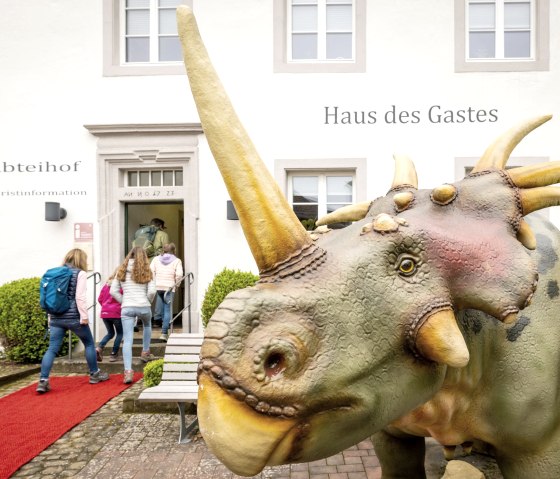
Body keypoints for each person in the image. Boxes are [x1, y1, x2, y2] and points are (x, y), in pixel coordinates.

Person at [36, 249, 109, 394]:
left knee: (52, 349)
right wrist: (84, 316)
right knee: (89, 343)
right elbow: (80, 297)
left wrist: (51, 317)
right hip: (74, 317)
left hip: (56, 317)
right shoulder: (80, 274)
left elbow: (51, 297)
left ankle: (43, 381)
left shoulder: (55, 273)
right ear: (81, 259)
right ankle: (95, 374)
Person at [110, 246, 156, 384]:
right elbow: (152, 291)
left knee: (128, 339)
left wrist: (123, 301)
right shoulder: (147, 270)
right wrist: (147, 300)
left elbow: (113, 291)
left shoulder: (121, 270)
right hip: (144, 306)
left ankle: (128, 371)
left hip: (127, 307)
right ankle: (145, 351)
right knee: (147, 325)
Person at [150, 243, 184, 342]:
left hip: (159, 287)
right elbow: (179, 274)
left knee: (160, 307)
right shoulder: (177, 261)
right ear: (174, 250)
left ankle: (157, 321)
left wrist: (155, 282)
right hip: (169, 287)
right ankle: (164, 333)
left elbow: (151, 270)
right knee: (167, 310)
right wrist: (176, 285)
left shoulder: (156, 259)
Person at [96, 270, 123, 362]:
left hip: (105, 313)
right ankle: (113, 354)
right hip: (116, 313)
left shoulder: (106, 285)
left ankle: (99, 348)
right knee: (120, 333)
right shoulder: (121, 286)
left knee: (110, 333)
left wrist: (105, 308)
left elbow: (99, 299)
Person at [149, 218, 169, 328]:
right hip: (158, 265)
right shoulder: (162, 234)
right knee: (161, 291)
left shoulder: (143, 233)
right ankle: (157, 318)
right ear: (160, 225)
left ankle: (140, 319)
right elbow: (166, 250)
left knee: (144, 291)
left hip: (145, 265)